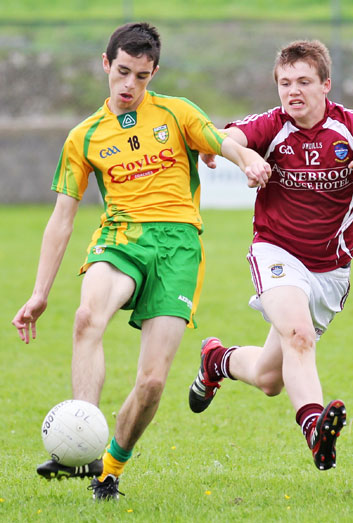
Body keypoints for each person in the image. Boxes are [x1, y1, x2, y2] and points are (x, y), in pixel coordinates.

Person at [12, 22, 271, 500]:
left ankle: (109, 467)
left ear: (154, 73)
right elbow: (62, 220)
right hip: (121, 237)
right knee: (87, 316)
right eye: (124, 72)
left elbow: (222, 140)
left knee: (151, 382)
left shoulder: (176, 113)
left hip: (177, 248)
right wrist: (39, 293)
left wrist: (246, 160)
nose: (130, 85)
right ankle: (81, 441)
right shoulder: (84, 137)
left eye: (142, 76)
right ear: (106, 64)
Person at [188, 39, 353, 471]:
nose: (293, 92)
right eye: (285, 83)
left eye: (304, 81)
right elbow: (227, 137)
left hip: (331, 270)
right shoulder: (271, 125)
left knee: (270, 377)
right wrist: (242, 156)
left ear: (326, 84)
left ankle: (218, 360)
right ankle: (314, 426)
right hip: (276, 251)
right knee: (299, 336)